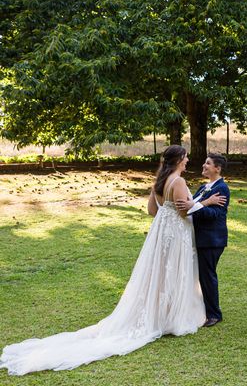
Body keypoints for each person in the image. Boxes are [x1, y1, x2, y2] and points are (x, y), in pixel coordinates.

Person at [0, 146, 223, 376]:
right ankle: (170, 316)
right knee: (173, 272)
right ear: (178, 160)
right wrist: (205, 203)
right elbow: (184, 212)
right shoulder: (178, 182)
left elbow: (152, 211)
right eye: (186, 158)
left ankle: (160, 312)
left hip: (161, 233)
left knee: (159, 272)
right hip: (176, 235)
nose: (188, 161)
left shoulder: (159, 181)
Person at [176, 153, 230, 327]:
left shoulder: (222, 188)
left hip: (212, 239)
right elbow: (192, 205)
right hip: (200, 238)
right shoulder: (203, 188)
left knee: (207, 276)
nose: (204, 166)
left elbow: (215, 214)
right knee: (201, 276)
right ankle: (204, 309)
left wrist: (196, 206)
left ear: (217, 168)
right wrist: (202, 203)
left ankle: (214, 314)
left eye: (208, 163)